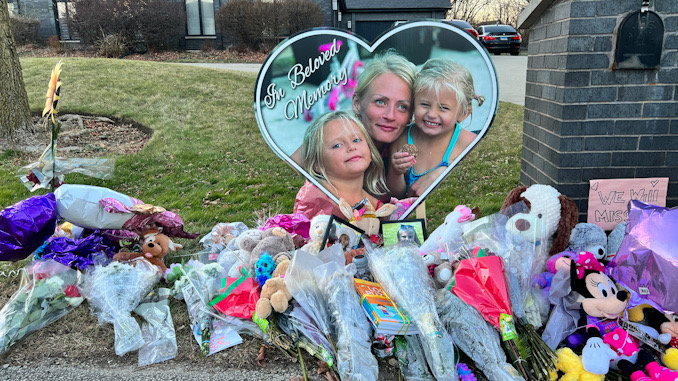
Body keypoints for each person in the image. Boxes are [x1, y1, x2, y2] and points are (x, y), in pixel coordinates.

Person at [291, 50, 416, 200]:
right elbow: (294, 164)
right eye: (380, 102)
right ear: (357, 103)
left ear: (410, 115)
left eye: (402, 107)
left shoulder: (409, 143)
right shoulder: (337, 131)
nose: (390, 116)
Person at [387, 58, 484, 198]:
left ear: (463, 113)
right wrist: (396, 172)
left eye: (443, 108)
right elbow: (396, 194)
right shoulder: (401, 139)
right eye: (425, 104)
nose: (432, 114)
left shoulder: (469, 144)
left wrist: (445, 171)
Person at [293, 111, 388, 219]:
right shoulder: (316, 200)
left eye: (356, 140)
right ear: (317, 164)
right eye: (337, 145)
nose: (351, 147)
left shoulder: (376, 206)